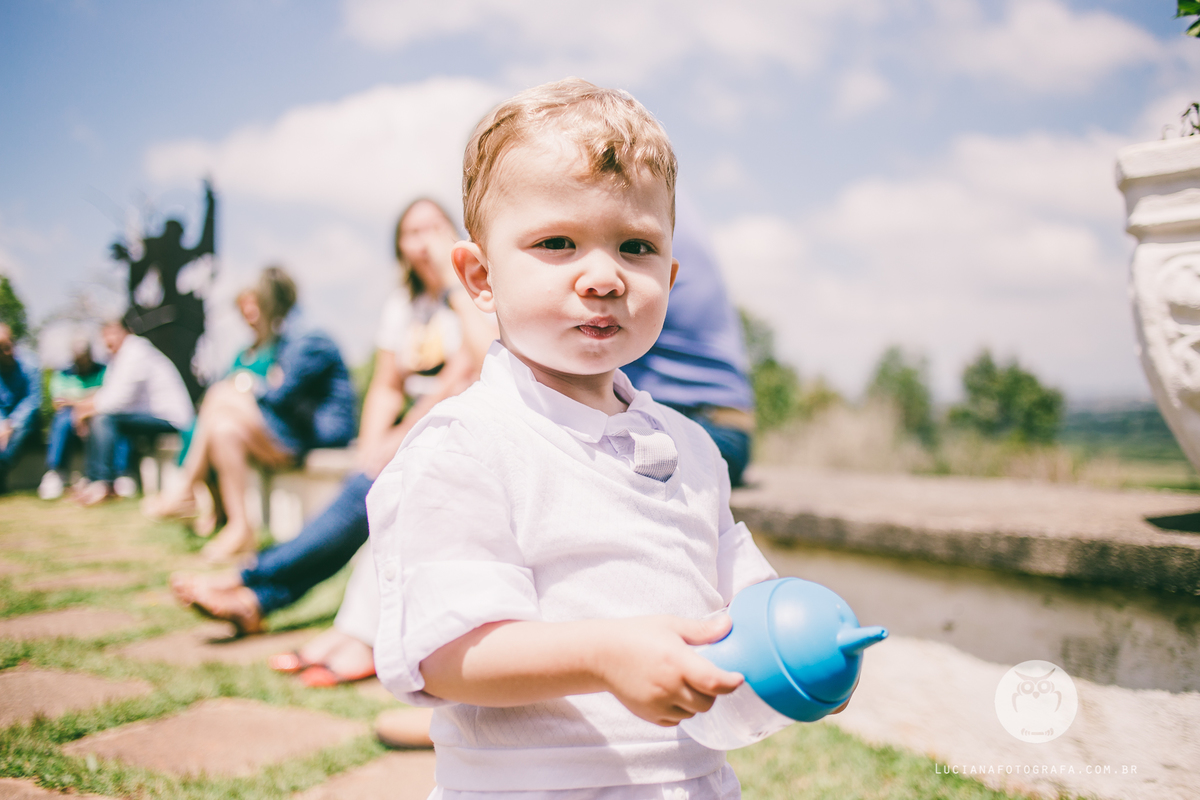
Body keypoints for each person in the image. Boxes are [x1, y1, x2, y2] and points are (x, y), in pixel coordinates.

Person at [365, 79, 814, 798]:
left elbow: (740, 596)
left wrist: (797, 643)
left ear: (669, 274)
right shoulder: (464, 446)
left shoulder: (693, 451)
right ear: (479, 276)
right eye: (557, 243)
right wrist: (604, 655)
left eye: (635, 247)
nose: (603, 276)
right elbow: (447, 654)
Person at [169, 202, 495, 664]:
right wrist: (371, 443)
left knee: (368, 492)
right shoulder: (403, 307)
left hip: (461, 425)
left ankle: (252, 582)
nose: (423, 240)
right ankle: (257, 597)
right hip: (413, 432)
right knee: (367, 481)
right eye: (411, 232)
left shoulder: (476, 290)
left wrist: (453, 282)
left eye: (432, 228)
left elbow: (477, 365)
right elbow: (385, 385)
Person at [148, 266, 357, 563]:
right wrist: (256, 385)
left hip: (317, 435)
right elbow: (275, 391)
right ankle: (241, 527)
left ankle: (185, 488)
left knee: (222, 395)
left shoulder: (307, 338)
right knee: (222, 428)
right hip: (296, 429)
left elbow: (280, 395)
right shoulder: (289, 337)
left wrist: (246, 386)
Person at [72, 318, 194, 505]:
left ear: (126, 331)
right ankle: (94, 479)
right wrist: (82, 409)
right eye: (104, 335)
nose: (107, 340)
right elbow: (108, 395)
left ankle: (102, 483)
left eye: (112, 333)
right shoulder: (120, 356)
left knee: (103, 418)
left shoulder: (136, 351)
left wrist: (84, 411)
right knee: (99, 416)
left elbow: (116, 402)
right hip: (150, 416)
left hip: (171, 419)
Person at [39, 335, 108, 500]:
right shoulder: (63, 373)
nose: (82, 363)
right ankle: (56, 472)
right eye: (78, 359)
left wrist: (76, 404)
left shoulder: (104, 370)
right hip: (70, 418)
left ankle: (118, 473)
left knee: (109, 419)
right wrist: (86, 402)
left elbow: (108, 397)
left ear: (91, 355)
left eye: (84, 359)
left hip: (97, 414)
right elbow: (59, 403)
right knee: (62, 419)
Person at [0, 322, 42, 494]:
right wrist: (2, 423)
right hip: (3, 421)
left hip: (27, 422)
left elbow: (33, 400)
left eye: (7, 346)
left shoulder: (30, 363)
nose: (5, 352)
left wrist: (11, 423)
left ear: (14, 342)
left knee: (19, 430)